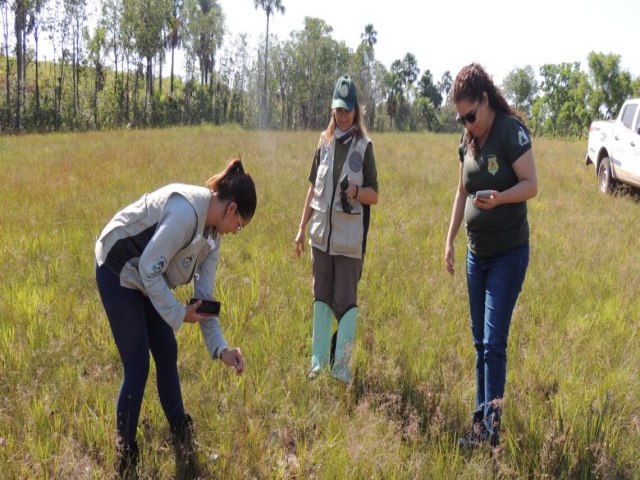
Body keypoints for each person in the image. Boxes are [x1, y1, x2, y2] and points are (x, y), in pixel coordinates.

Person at [95, 158, 256, 478]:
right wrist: (180, 313)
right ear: (232, 209)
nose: (236, 232)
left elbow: (205, 299)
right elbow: (147, 268)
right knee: (138, 363)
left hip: (147, 277)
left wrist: (222, 349)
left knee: (167, 352)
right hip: (118, 266)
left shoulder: (213, 238)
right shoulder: (186, 214)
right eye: (240, 226)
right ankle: (125, 456)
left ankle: (179, 427)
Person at [444, 63, 538, 448]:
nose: (468, 123)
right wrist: (449, 239)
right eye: (460, 118)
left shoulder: (509, 131)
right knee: (478, 341)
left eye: (471, 115)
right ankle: (481, 418)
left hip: (507, 253)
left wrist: (501, 198)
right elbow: (462, 191)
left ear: (486, 100)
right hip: (475, 254)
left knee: (494, 342)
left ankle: (490, 433)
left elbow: (532, 184)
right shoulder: (468, 140)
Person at [294, 74, 379, 383]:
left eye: (347, 110)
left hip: (348, 242)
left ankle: (340, 369)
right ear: (332, 110)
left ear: (356, 111)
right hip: (320, 238)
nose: (342, 115)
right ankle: (317, 365)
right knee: (320, 297)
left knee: (345, 303)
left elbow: (375, 195)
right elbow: (312, 189)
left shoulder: (365, 147)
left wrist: (356, 193)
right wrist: (301, 228)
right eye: (337, 110)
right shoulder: (324, 142)